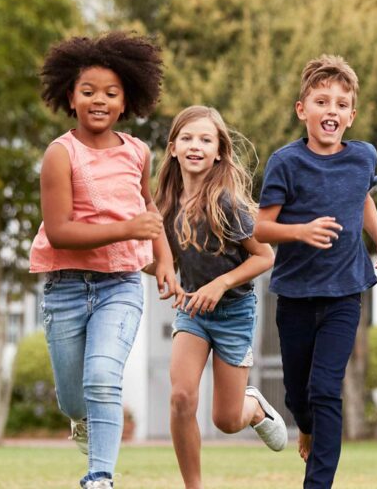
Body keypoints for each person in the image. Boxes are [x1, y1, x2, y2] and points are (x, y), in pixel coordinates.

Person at [29, 32, 177, 489]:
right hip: (66, 286)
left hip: (120, 285)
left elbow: (149, 212)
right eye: (88, 91)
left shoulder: (137, 152)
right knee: (75, 401)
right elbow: (60, 231)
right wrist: (125, 230)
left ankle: (99, 477)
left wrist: (164, 261)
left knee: (102, 380)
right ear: (70, 97)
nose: (100, 100)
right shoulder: (60, 154)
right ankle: (82, 424)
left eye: (111, 93)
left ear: (126, 98)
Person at [254, 55, 377, 489]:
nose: (330, 111)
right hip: (296, 295)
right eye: (321, 101)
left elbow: (363, 199)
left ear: (351, 116)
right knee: (299, 395)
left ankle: (317, 485)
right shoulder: (286, 162)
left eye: (340, 104)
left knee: (324, 390)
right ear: (303, 110)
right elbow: (260, 226)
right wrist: (300, 231)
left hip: (344, 293)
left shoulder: (363, 158)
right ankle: (305, 425)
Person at [155, 105, 287, 489]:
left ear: (218, 152)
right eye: (187, 138)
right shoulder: (166, 206)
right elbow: (166, 260)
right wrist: (156, 270)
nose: (195, 146)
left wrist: (220, 284)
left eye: (205, 139)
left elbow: (264, 256)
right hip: (192, 312)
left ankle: (255, 407)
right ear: (173, 148)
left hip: (234, 312)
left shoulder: (226, 204)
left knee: (226, 421)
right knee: (181, 397)